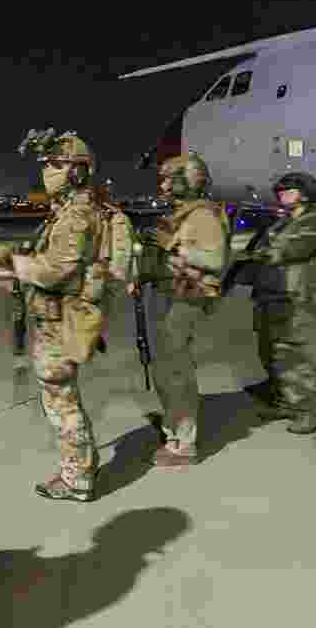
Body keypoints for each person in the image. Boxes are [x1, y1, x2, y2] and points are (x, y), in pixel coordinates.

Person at [10, 130, 106, 501]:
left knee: (59, 397)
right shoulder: (71, 210)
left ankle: (77, 478)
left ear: (77, 171)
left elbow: (57, 271)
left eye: (55, 164)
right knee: (63, 394)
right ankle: (84, 462)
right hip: (60, 315)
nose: (47, 172)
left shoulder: (76, 215)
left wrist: (20, 264)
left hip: (60, 319)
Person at [128, 151, 229, 468]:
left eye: (169, 178)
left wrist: (173, 245)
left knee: (175, 369)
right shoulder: (180, 214)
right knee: (164, 367)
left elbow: (215, 260)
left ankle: (184, 441)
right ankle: (174, 428)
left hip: (185, 299)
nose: (164, 185)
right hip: (166, 295)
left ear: (189, 179)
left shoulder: (202, 216)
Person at [238, 171, 316, 434]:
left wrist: (262, 253)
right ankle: (286, 402)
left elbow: (296, 250)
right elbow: (261, 252)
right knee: (269, 354)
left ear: (304, 194)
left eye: (287, 190)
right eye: (279, 191)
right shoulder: (280, 223)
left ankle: (310, 410)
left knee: (294, 356)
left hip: (292, 298)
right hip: (268, 296)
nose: (281, 194)